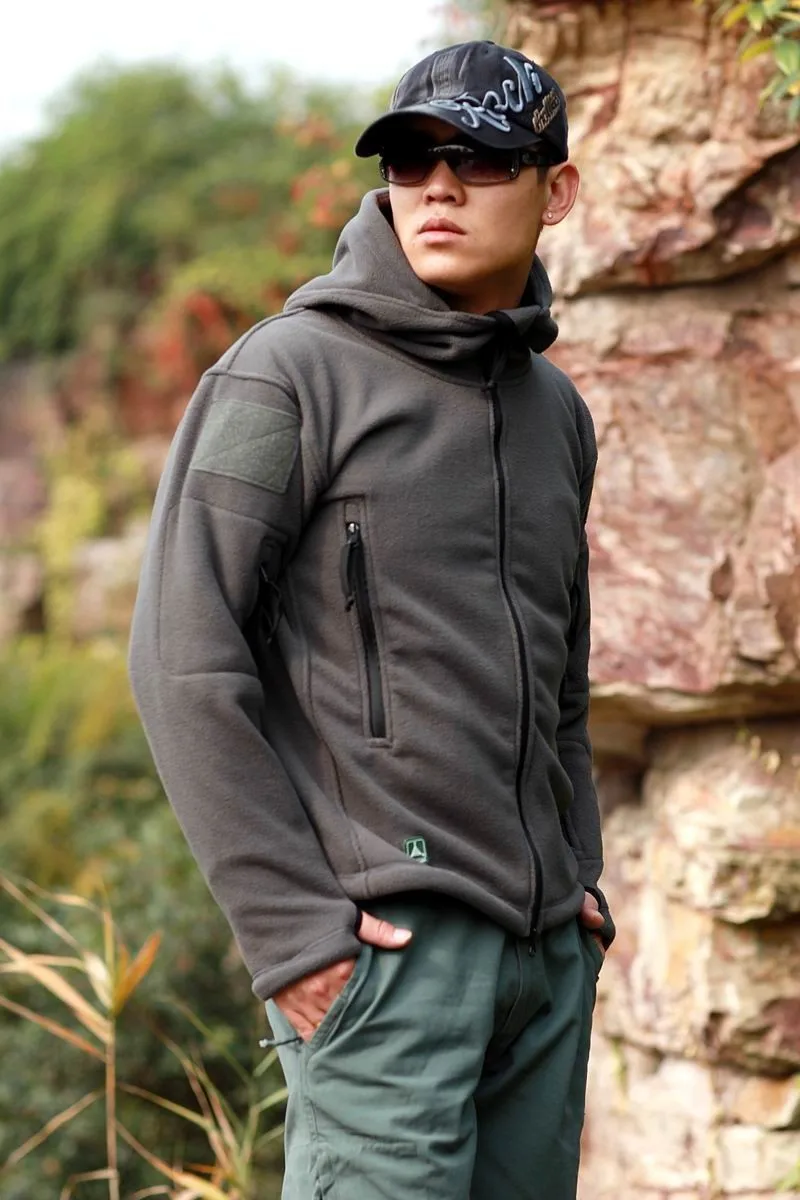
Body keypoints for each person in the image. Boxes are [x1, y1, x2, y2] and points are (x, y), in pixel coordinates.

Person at [129, 39, 614, 1200]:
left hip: (542, 967)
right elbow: (181, 661)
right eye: (409, 161)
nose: (437, 187)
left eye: (479, 160)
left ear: (554, 191)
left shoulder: (556, 414)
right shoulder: (285, 377)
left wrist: (580, 884)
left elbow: (561, 678)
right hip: (383, 962)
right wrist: (291, 936)